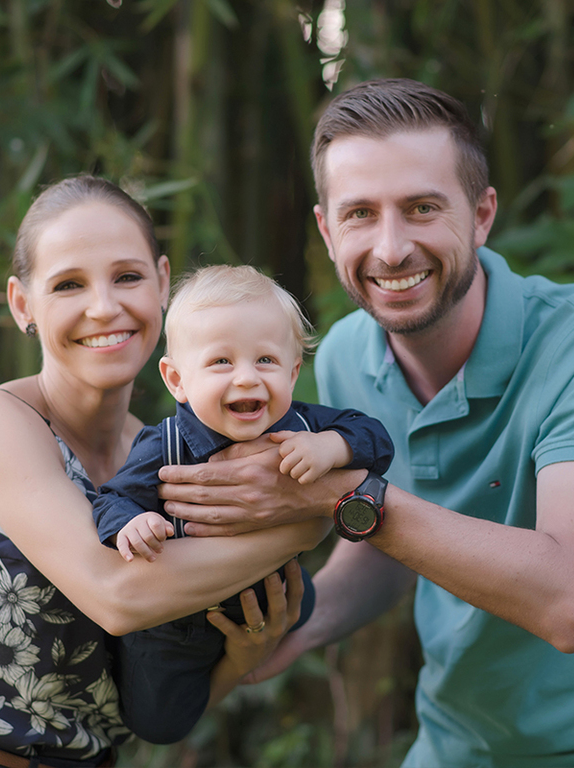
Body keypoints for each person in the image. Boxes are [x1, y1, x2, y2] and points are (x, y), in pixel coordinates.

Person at [157, 79, 574, 767]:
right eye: (361, 214)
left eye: (422, 208)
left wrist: (337, 493)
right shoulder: (345, 357)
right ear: (328, 230)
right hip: (457, 743)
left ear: (481, 215)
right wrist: (288, 630)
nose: (391, 250)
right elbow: (391, 543)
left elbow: (571, 601)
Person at [0, 176, 326, 768]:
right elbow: (118, 596)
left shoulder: (162, 457)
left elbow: (151, 705)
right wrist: (308, 524)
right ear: (22, 305)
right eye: (68, 284)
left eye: (128, 277)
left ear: (163, 283)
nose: (105, 306)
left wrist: (242, 658)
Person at [92, 265, 393, 744]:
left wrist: (331, 447)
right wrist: (134, 521)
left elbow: (375, 438)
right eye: (221, 363)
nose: (248, 379)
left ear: (294, 371)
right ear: (177, 380)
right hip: (179, 621)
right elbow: (113, 498)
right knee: (159, 723)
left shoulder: (303, 426)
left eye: (267, 360)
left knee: (305, 605)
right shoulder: (164, 445)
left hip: (270, 590)